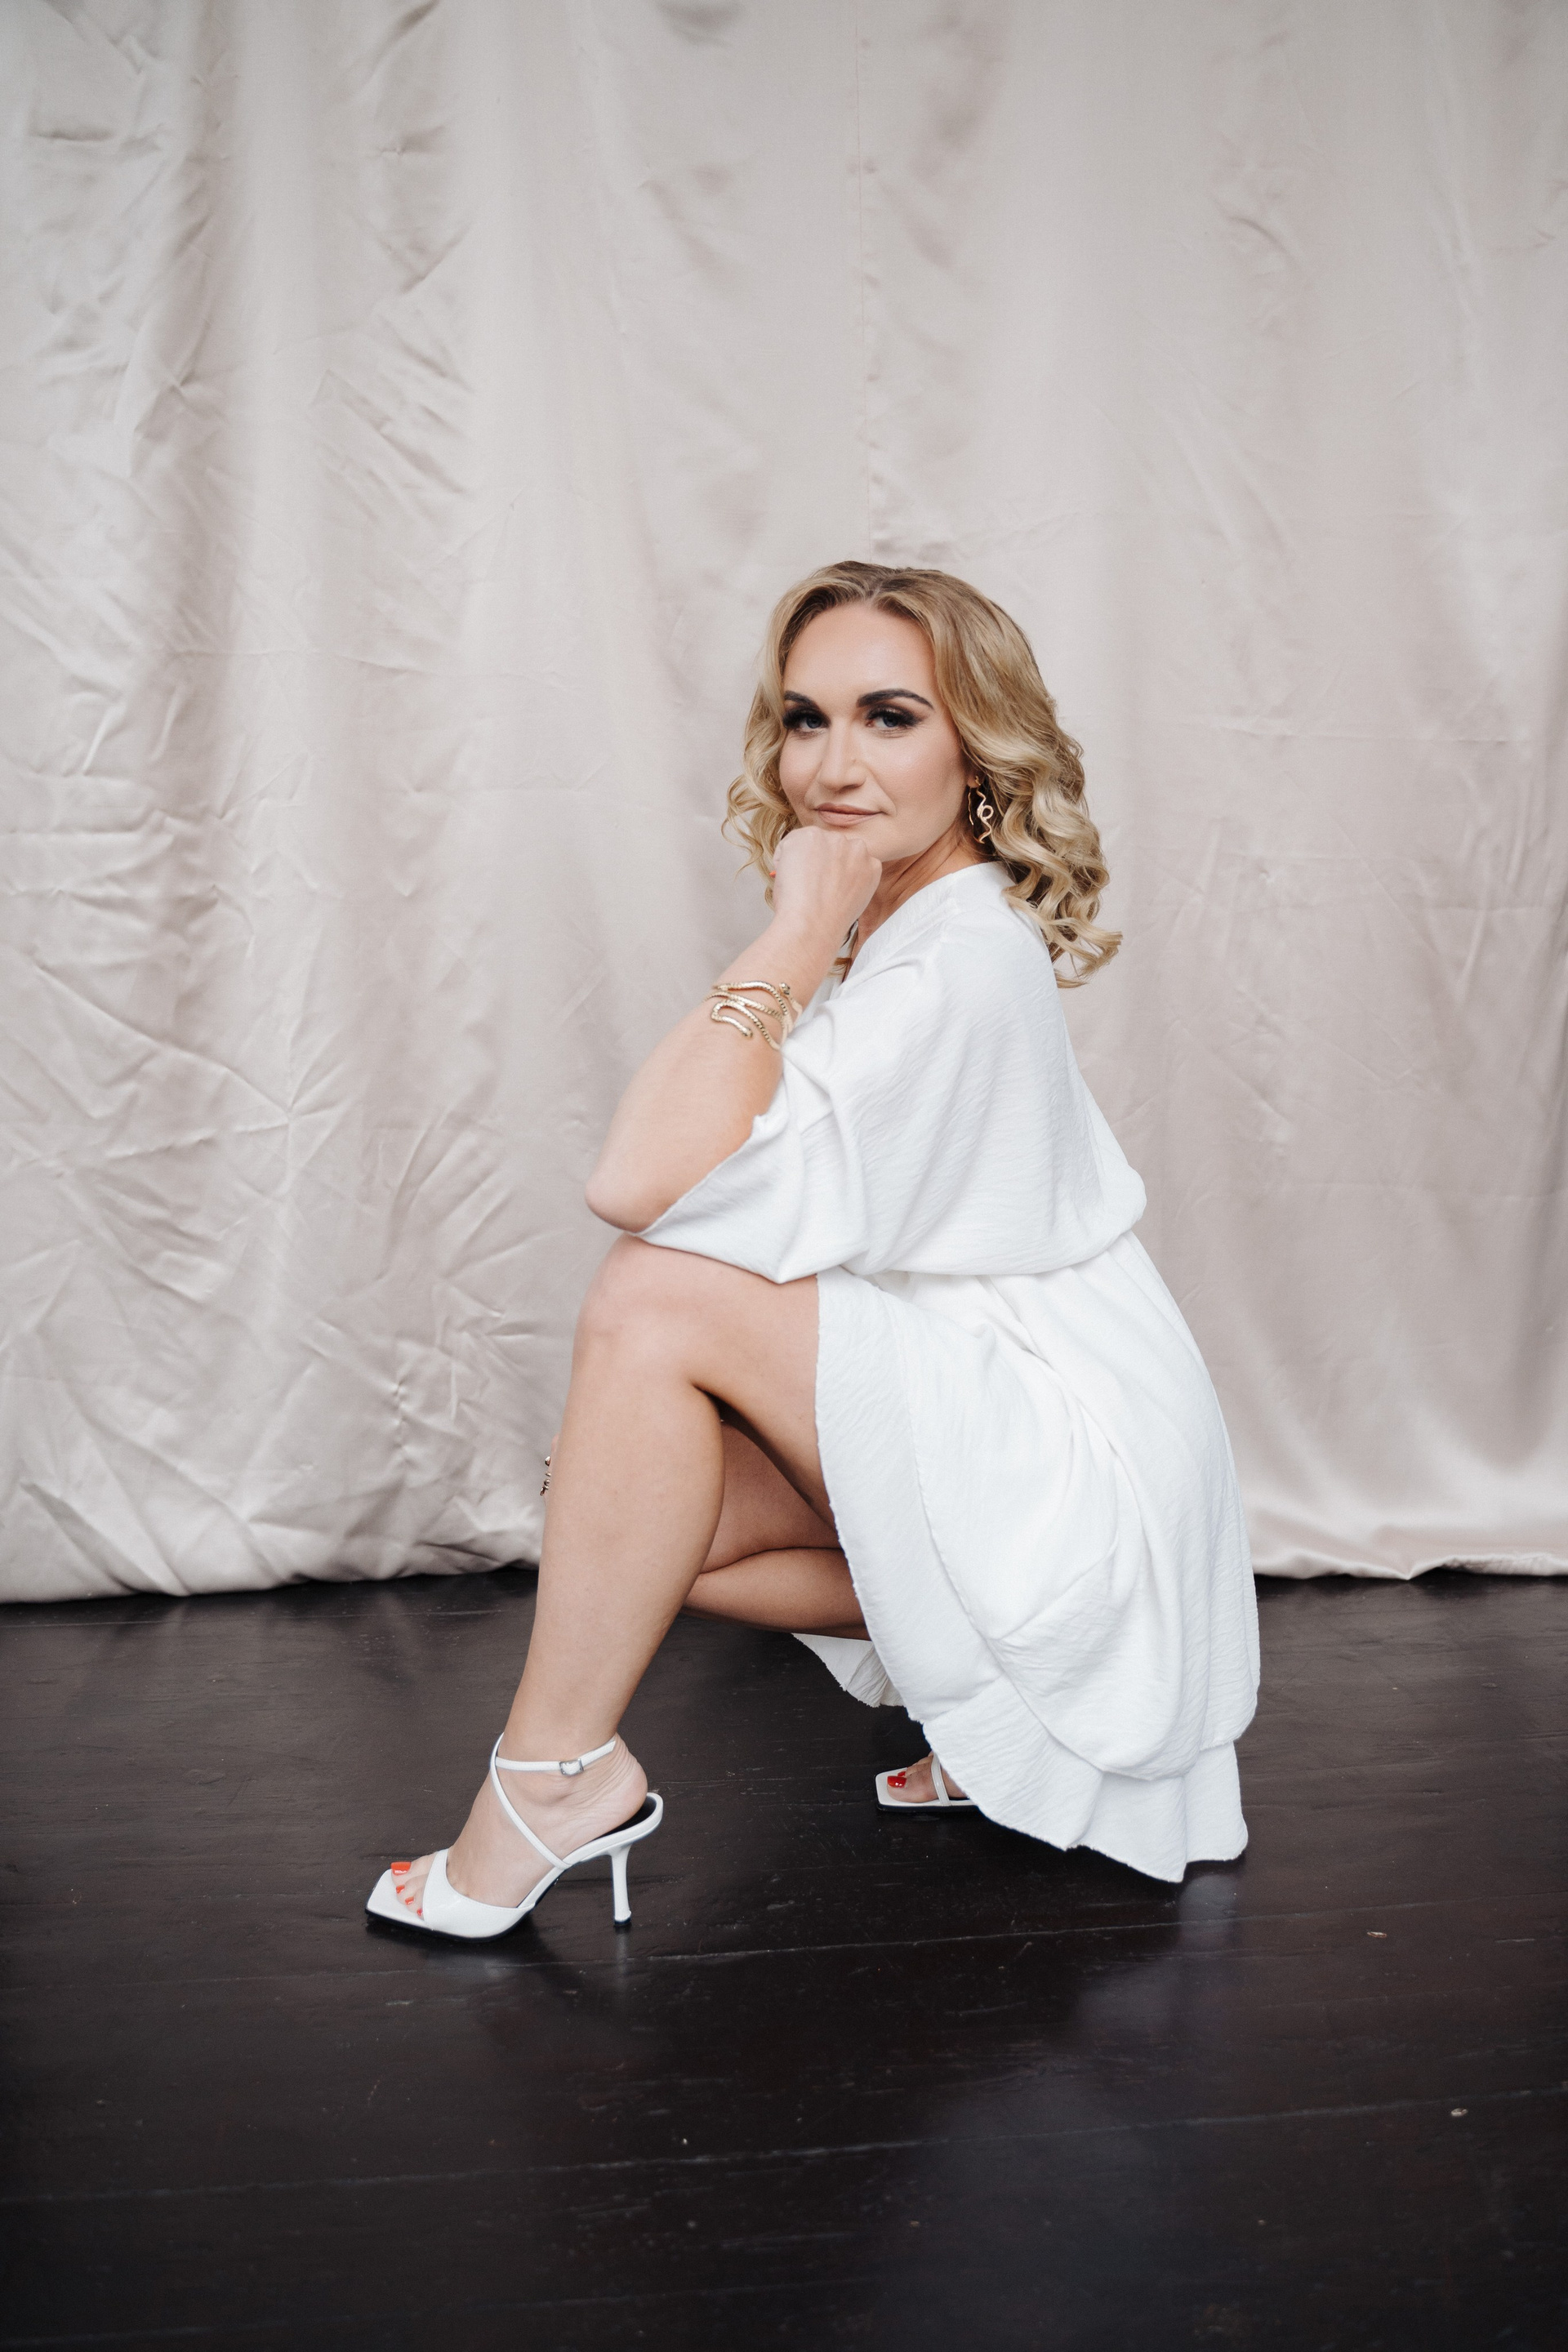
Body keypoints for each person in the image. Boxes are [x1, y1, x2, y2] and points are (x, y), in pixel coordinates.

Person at [367, 560, 1258, 1940]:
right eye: (805, 719)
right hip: (1039, 1410)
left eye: (890, 717)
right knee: (628, 1512)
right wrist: (814, 937)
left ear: (978, 751)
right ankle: (1015, 1706)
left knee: (654, 1302)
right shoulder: (918, 929)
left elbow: (634, 1186)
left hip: (1084, 1455)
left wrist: (793, 931)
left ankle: (552, 1779)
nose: (833, 766)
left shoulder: (957, 960)